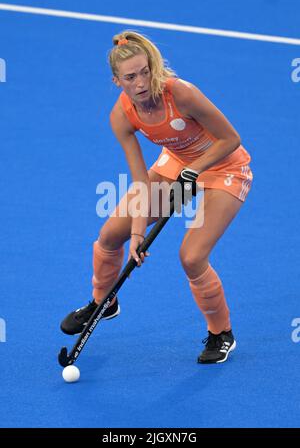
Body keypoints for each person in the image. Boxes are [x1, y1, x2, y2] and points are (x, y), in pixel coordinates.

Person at [60, 30, 253, 364]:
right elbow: (139, 182)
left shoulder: (181, 94)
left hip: (224, 168)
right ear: (117, 81)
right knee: (111, 235)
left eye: (145, 72)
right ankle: (104, 301)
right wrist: (137, 235)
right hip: (175, 164)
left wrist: (195, 170)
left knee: (192, 257)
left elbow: (231, 139)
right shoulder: (121, 116)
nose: (141, 82)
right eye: (130, 77)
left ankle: (222, 334)